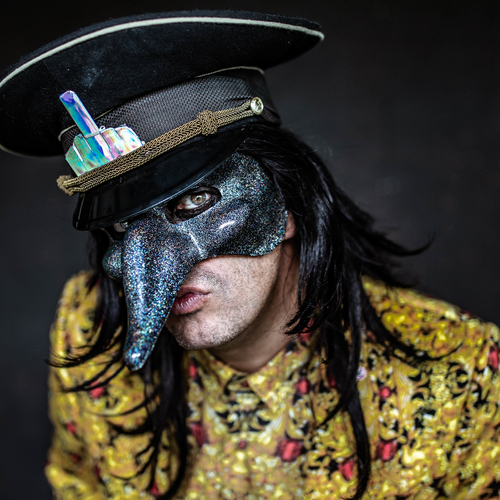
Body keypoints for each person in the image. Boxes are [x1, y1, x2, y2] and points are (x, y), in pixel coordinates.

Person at [1, 10, 499, 500]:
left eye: (195, 201)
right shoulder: (87, 325)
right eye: (123, 226)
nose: (155, 265)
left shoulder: (464, 374)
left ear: (288, 205)